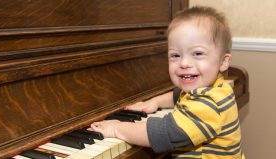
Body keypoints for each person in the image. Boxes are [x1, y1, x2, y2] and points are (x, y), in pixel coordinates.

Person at [90, 6, 243, 159]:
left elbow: (162, 134)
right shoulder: (216, 87)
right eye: (175, 55)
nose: (184, 63)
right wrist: (156, 101)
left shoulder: (209, 104)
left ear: (223, 62)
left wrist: (117, 128)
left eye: (197, 53)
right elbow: (178, 95)